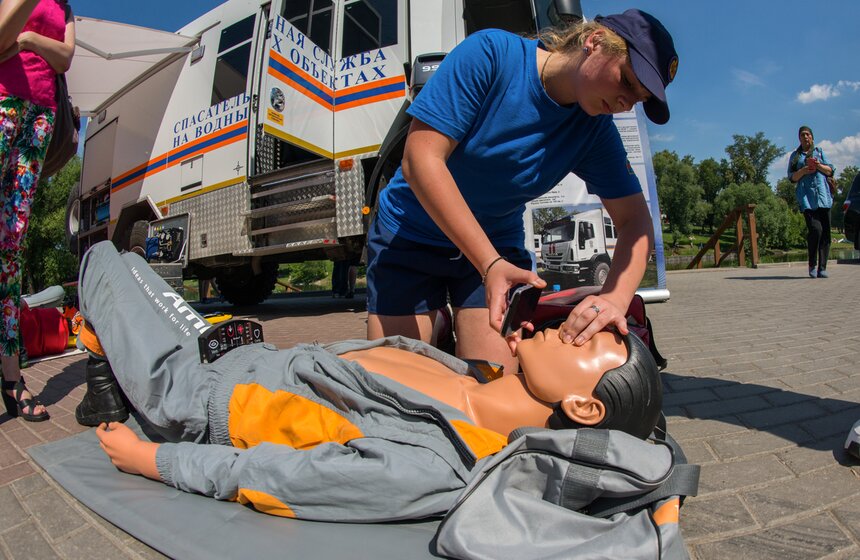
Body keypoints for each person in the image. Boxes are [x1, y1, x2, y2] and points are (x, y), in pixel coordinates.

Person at [75, 241, 662, 522]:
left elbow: (271, 478)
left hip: (191, 395)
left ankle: (114, 376)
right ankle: (108, 362)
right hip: (242, 357)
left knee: (101, 258)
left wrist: (152, 460)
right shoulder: (471, 372)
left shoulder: (434, 464)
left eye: (587, 342)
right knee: (130, 263)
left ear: (583, 408)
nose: (572, 329)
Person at [365, 9, 679, 374]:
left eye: (637, 99)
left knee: (492, 386)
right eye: (626, 80)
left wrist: (614, 298)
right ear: (593, 42)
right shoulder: (492, 54)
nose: (626, 102)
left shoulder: (595, 131)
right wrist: (490, 264)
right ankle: (436, 322)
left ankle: (450, 324)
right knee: (399, 382)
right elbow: (420, 159)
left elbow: (635, 222)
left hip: (495, 245)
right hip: (411, 234)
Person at [0, 0, 75, 422]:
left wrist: (28, 39)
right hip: (4, 102)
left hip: (42, 116)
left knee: (11, 248)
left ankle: (12, 377)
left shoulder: (65, 5)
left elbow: (64, 58)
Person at [788, 125, 836, 278]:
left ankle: (822, 268)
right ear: (799, 138)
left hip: (823, 197)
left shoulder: (819, 152)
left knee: (826, 234)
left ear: (812, 137)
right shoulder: (795, 157)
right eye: (802, 135)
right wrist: (803, 170)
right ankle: (812, 264)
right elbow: (792, 178)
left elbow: (830, 170)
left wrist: (818, 166)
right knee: (816, 230)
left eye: (808, 134)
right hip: (807, 199)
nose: (805, 137)